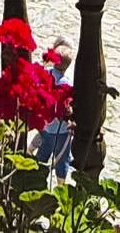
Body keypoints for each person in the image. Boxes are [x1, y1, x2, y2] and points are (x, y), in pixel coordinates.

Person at [33, 41, 74, 179]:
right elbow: (67, 105)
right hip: (60, 130)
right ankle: (61, 183)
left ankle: (36, 177)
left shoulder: (47, 73)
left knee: (43, 152)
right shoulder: (66, 83)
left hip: (45, 126)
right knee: (62, 159)